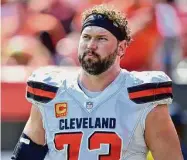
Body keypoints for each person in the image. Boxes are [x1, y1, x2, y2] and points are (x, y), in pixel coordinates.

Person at [11, 4, 183, 160]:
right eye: (86, 37)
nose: (90, 45)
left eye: (101, 38)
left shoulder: (143, 98)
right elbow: (25, 157)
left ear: (121, 48)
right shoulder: (51, 92)